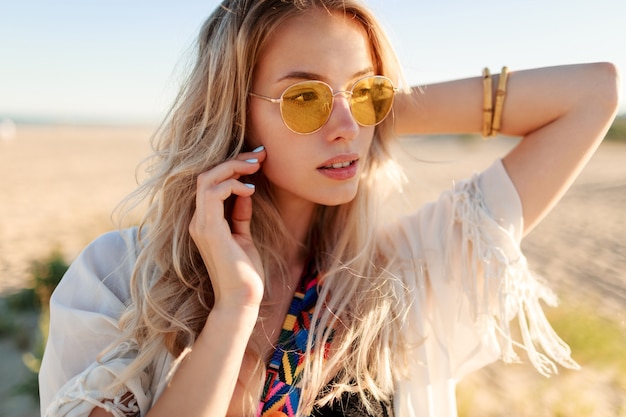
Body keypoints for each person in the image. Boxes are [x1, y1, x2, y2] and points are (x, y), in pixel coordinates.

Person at [38, 0, 620, 416]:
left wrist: (376, 109)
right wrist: (234, 312)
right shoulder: (122, 278)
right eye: (305, 98)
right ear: (233, 111)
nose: (345, 128)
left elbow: (592, 93)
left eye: (366, 93)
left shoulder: (404, 271)